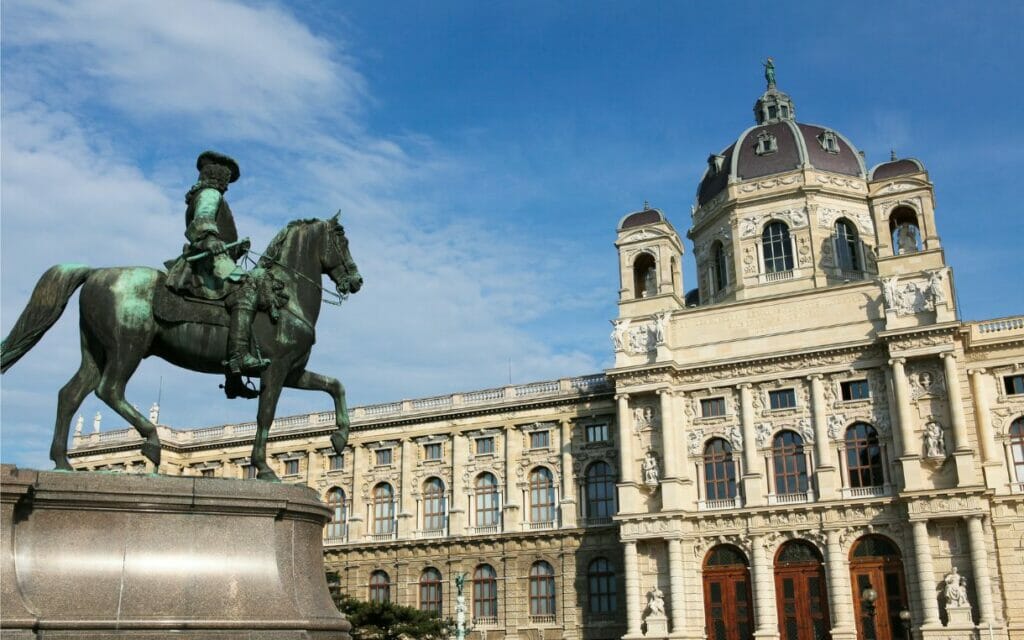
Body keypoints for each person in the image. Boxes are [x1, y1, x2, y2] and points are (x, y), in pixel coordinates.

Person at [165, 151, 270, 399]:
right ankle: (238, 357)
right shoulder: (211, 195)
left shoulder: (204, 194)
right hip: (210, 264)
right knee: (247, 290)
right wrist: (210, 238)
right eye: (225, 177)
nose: (226, 182)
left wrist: (235, 247)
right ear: (216, 176)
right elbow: (202, 221)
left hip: (216, 258)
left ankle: (233, 380)